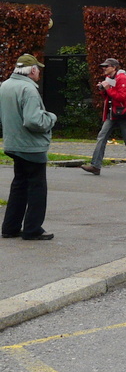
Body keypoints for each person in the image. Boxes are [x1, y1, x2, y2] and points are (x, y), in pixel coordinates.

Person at [1, 54, 58, 240]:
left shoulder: (6, 85)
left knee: (19, 185)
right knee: (37, 189)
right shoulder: (29, 89)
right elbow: (33, 121)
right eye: (38, 69)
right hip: (31, 146)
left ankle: (10, 227)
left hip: (13, 142)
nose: (39, 72)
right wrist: (51, 117)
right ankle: (32, 229)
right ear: (32, 70)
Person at [81, 58, 126, 176]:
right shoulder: (110, 79)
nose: (104, 68)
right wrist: (103, 89)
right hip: (113, 113)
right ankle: (95, 166)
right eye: (103, 66)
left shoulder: (122, 79)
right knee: (101, 137)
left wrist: (107, 88)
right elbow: (109, 96)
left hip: (124, 114)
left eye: (107, 66)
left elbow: (121, 97)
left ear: (114, 67)